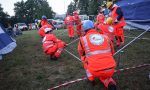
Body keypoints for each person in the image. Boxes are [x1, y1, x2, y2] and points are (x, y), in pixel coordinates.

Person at [78, 20, 116, 90]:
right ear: (94, 27)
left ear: (84, 29)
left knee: (85, 60)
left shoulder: (83, 39)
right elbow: (112, 52)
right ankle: (110, 82)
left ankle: (91, 79)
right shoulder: (105, 37)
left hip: (95, 70)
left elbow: (81, 53)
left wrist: (85, 57)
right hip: (111, 68)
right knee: (105, 75)